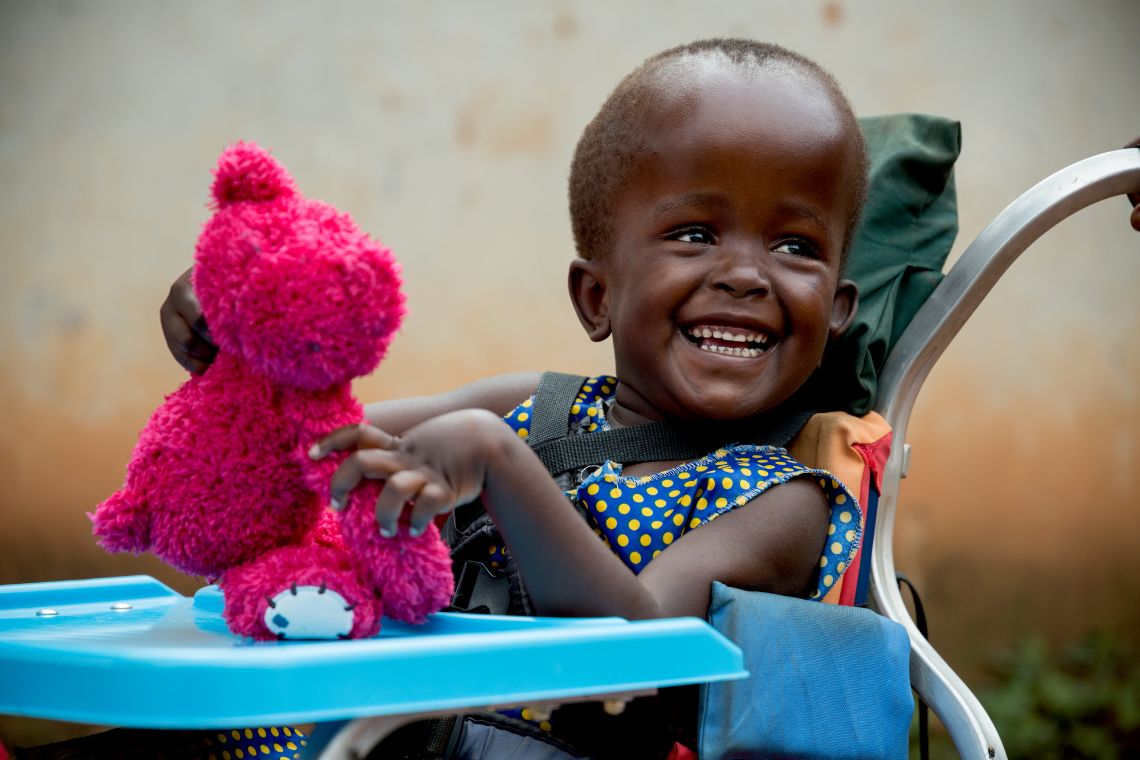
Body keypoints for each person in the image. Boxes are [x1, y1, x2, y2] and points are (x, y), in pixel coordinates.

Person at [151, 40, 1140, 760]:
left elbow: (636, 643)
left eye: (794, 246)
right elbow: (318, 449)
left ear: (838, 309)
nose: (749, 275)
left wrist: (495, 464)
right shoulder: (532, 408)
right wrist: (237, 353)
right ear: (596, 295)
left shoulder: (787, 497)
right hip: (389, 732)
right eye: (696, 234)